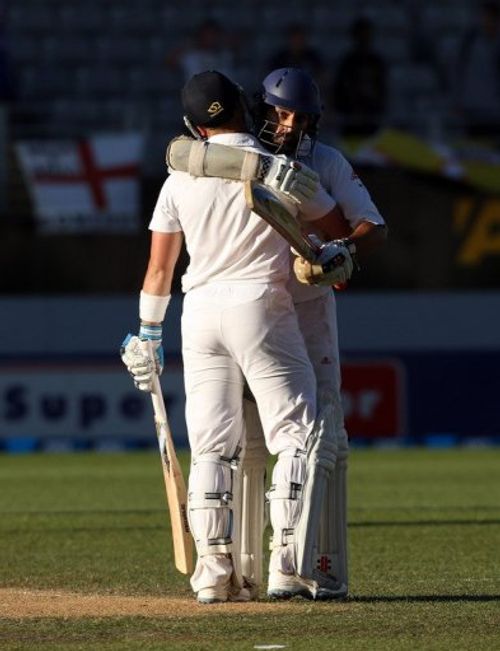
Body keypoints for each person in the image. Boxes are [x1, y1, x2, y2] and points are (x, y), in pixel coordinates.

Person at [120, 70, 348, 604]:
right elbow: (335, 231)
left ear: (193, 127)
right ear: (249, 109)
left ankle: (213, 574)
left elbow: (159, 271)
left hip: (198, 313)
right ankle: (286, 567)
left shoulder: (178, 179)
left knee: (211, 446)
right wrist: (326, 245)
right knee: (294, 434)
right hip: (260, 305)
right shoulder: (281, 170)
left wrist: (147, 335)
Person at [164, 67, 388, 601]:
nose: (288, 125)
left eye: (299, 117)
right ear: (260, 110)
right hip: (257, 309)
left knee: (322, 438)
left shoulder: (325, 162)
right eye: (281, 113)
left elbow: (371, 227)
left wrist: (342, 252)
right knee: (247, 442)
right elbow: (184, 156)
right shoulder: (237, 161)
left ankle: (314, 567)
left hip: (306, 312)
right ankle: (237, 570)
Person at [330, 17, 387, 136]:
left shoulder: (377, 62)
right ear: (355, 36)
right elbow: (339, 89)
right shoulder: (347, 62)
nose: (364, 38)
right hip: (350, 121)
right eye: (361, 35)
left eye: (367, 35)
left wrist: (376, 110)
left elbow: (382, 89)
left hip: (372, 119)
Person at [452, 1, 500, 140]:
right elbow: (458, 71)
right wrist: (457, 99)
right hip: (472, 111)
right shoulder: (469, 41)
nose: (486, 21)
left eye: (490, 17)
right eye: (484, 17)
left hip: (495, 112)